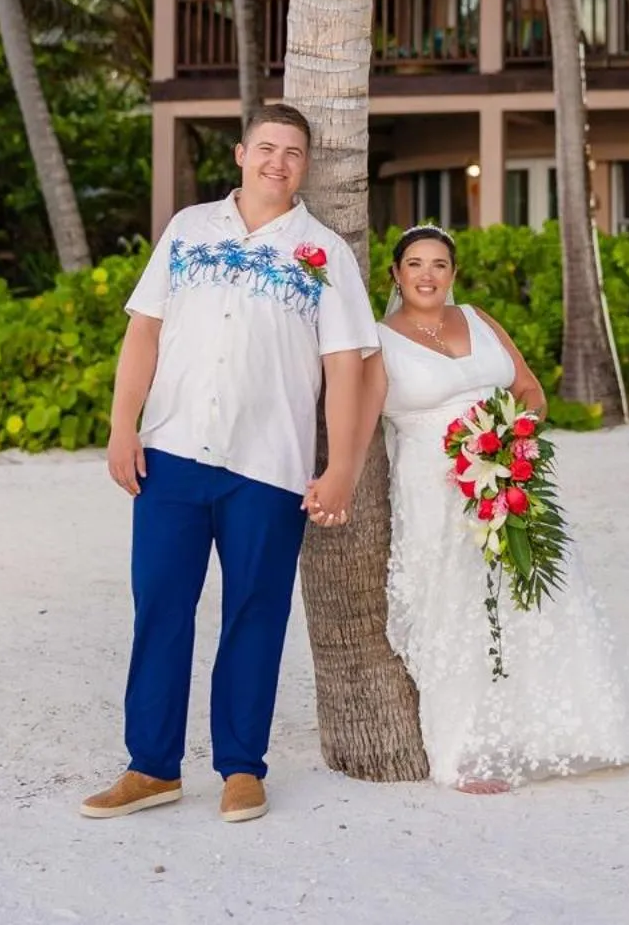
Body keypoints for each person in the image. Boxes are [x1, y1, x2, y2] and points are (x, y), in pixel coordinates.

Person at [80, 104, 378, 824]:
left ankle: (242, 766)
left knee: (255, 612)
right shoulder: (187, 229)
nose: (279, 161)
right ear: (242, 153)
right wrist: (123, 427)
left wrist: (342, 467)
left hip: (268, 467)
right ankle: (151, 766)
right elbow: (143, 334)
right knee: (160, 608)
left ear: (305, 165)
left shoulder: (324, 252)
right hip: (172, 454)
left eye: (294, 152)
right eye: (268, 147)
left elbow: (348, 367)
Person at [363, 225, 629, 793]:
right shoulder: (379, 340)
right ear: (395, 275)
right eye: (415, 264)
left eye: (440, 265)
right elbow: (361, 420)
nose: (428, 275)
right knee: (457, 607)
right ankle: (465, 752)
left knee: (535, 593)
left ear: (454, 274)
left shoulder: (478, 319)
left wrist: (510, 438)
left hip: (506, 474)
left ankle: (567, 729)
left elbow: (529, 389)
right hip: (433, 487)